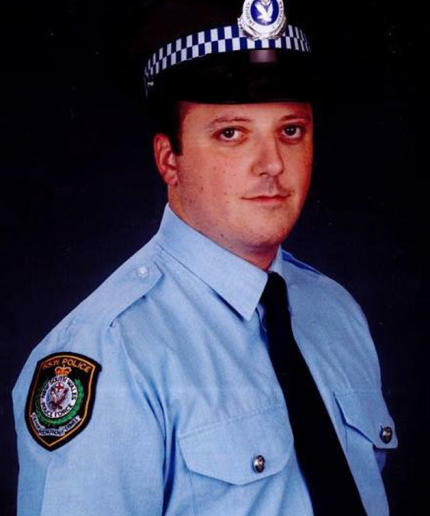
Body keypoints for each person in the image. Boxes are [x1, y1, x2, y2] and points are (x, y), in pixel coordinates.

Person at [12, 1, 395, 514]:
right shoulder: (112, 350)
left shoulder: (335, 312)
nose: (272, 166)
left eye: (290, 131)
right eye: (231, 134)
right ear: (169, 158)